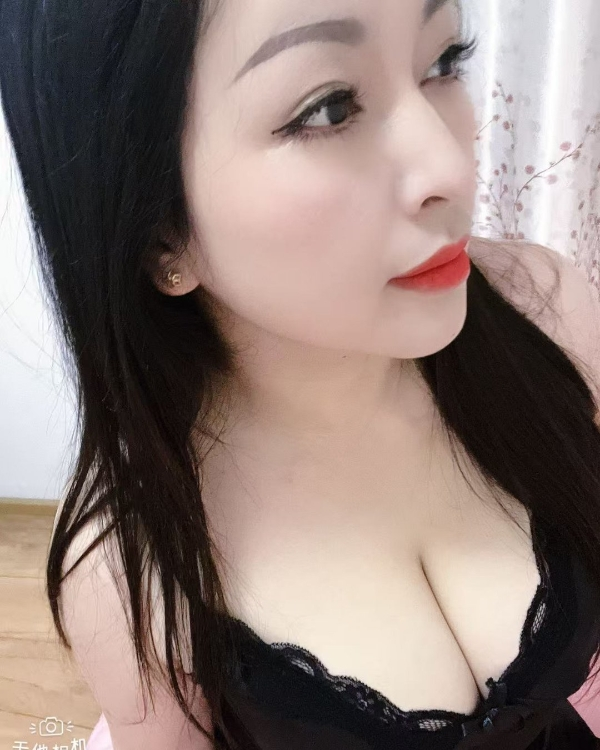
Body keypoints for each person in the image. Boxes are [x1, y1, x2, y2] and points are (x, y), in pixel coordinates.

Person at [1, 0, 600, 747]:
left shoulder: (549, 312)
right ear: (160, 235)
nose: (452, 165)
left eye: (443, 61)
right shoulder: (130, 562)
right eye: (329, 108)